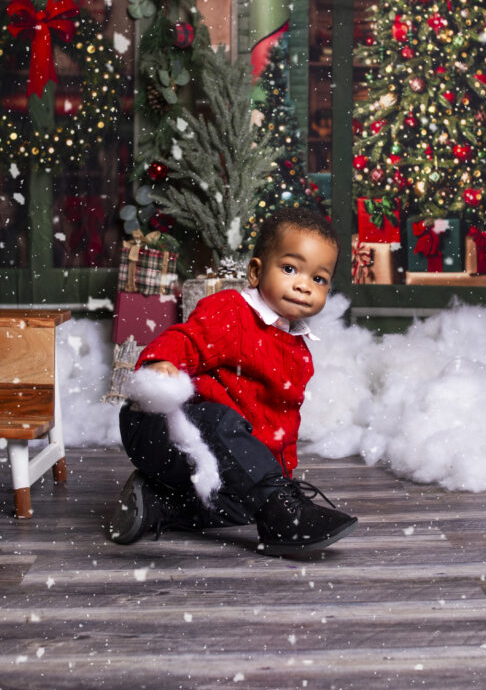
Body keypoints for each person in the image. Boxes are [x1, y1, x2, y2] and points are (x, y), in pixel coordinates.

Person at [108, 206, 358, 555]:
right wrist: (161, 362)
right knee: (221, 420)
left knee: (248, 501)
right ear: (256, 272)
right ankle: (282, 520)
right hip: (159, 426)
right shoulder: (232, 313)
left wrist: (279, 481)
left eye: (319, 279)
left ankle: (159, 503)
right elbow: (186, 339)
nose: (304, 285)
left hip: (207, 456)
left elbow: (279, 424)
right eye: (290, 269)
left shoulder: (297, 350)